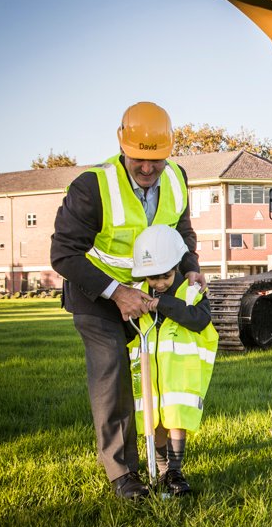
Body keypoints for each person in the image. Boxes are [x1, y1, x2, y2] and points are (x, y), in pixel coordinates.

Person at [51, 102, 205, 500]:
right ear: (123, 146)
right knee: (114, 376)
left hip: (152, 297)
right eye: (140, 158)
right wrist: (117, 293)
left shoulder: (177, 177)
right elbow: (64, 254)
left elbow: (181, 231)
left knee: (163, 374)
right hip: (98, 297)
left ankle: (166, 459)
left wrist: (191, 266)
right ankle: (124, 475)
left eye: (157, 159)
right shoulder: (91, 186)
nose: (149, 169)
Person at [128, 224, 218, 496]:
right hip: (150, 374)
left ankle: (175, 471)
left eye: (164, 276)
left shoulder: (191, 290)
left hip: (180, 374)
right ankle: (161, 468)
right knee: (153, 422)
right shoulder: (139, 292)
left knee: (176, 420)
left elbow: (200, 319)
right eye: (152, 278)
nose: (158, 283)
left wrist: (163, 305)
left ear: (177, 265)